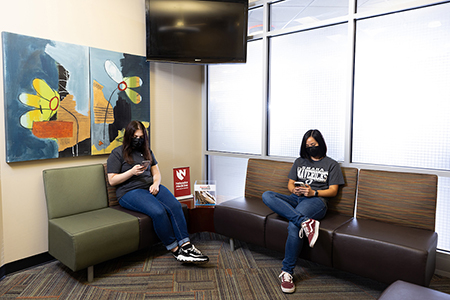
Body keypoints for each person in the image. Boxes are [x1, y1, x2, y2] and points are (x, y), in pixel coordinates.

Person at [107, 120, 209, 264]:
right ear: (128, 136)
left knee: (175, 206)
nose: (138, 140)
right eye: (135, 137)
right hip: (129, 192)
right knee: (159, 211)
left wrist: (156, 184)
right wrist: (131, 172)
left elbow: (156, 172)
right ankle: (176, 250)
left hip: (150, 186)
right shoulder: (117, 153)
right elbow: (112, 180)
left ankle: (186, 246)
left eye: (141, 137)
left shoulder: (146, 151)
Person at [262, 129, 344, 294]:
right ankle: (305, 222)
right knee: (267, 195)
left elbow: (333, 191)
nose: (311, 148)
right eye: (307, 146)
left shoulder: (332, 164)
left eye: (313, 145)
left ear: (320, 143)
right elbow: (290, 184)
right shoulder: (300, 161)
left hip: (316, 200)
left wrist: (312, 192)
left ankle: (287, 272)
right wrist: (295, 190)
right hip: (297, 198)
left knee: (294, 226)